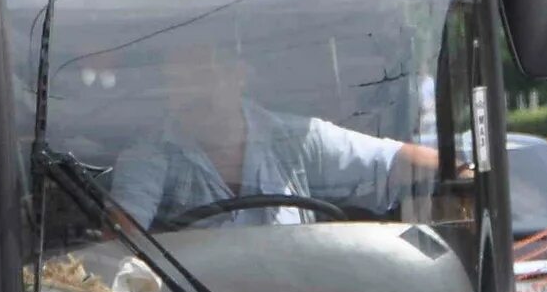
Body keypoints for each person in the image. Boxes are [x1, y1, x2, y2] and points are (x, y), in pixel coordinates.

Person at [108, 38, 437, 230]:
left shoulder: (299, 140)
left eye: (203, 76)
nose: (192, 91)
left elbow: (390, 160)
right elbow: (125, 233)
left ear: (237, 76)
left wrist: (462, 168)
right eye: (178, 81)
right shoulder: (148, 155)